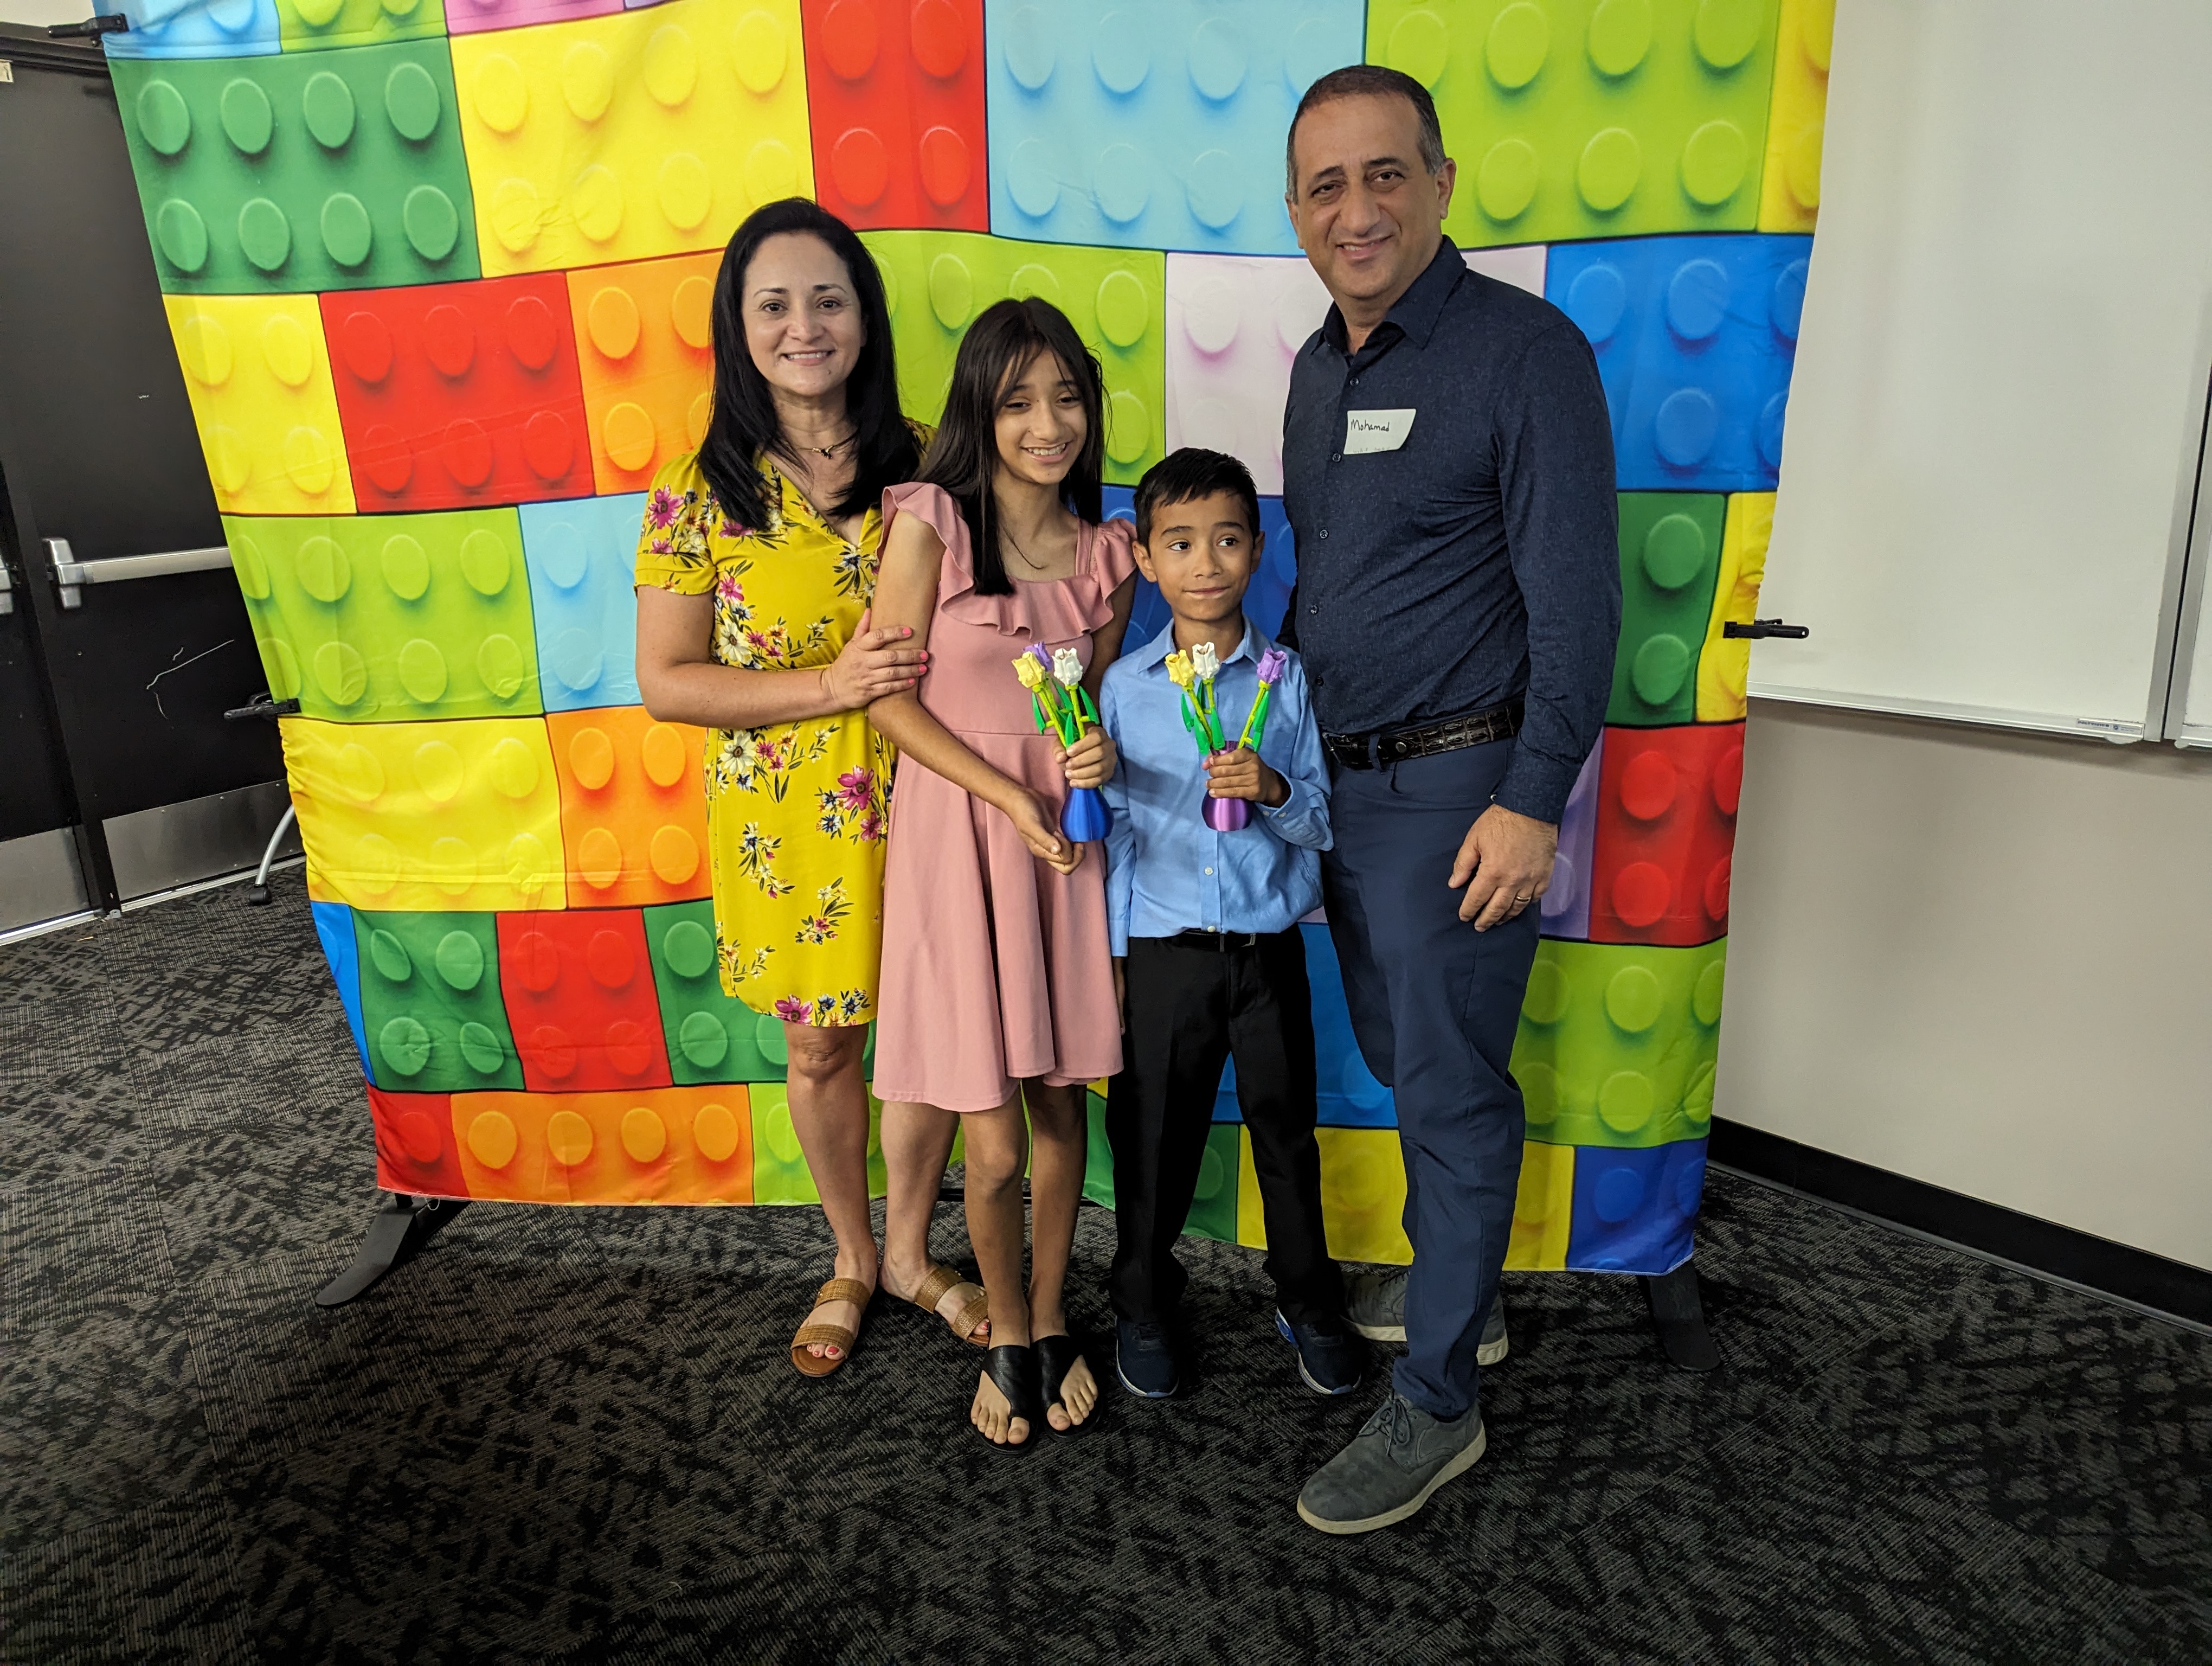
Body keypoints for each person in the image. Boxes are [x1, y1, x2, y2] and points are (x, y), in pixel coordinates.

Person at [1277, 68, 1622, 1533]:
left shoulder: (1525, 355)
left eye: (1384, 175)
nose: (1355, 210)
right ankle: (1457, 1295)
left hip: (1464, 790)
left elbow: (1580, 604)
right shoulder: (1317, 369)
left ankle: (1438, 1404)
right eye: (1325, 186)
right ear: (1297, 211)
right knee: (1408, 1060)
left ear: (1441, 182)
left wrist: (1533, 801)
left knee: (1453, 1089)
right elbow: (1335, 586)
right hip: (1343, 792)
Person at [633, 198, 991, 1379]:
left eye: (828, 299)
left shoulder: (933, 461)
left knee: (934, 1037)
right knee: (826, 1052)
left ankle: (913, 1253)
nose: (805, 326)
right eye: (774, 304)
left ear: (865, 316)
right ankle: (851, 1255)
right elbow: (668, 682)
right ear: (739, 328)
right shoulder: (700, 490)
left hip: (935, 791)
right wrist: (829, 686)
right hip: (792, 822)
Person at [867, 298, 1136, 1450]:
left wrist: (1093, 758)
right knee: (990, 1141)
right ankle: (1008, 1331)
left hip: (1059, 851)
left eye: (1067, 397)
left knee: (1062, 1102)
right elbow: (886, 701)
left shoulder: (1111, 554)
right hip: (961, 839)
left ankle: (1051, 1312)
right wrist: (1004, 794)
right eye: (1019, 399)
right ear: (978, 408)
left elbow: (1092, 710)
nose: (1047, 423)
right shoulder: (930, 525)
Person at [1098, 447, 1360, 1404]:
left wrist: (1275, 788)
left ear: (1257, 548)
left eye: (1226, 540)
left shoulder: (1285, 680)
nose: (1204, 563)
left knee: (1287, 1134)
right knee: (1152, 1138)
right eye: (1179, 543)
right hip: (1164, 955)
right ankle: (1142, 1299)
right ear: (1144, 559)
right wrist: (1114, 961)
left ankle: (1307, 1298)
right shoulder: (1125, 690)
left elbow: (1321, 821)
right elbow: (1114, 838)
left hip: (1267, 955)